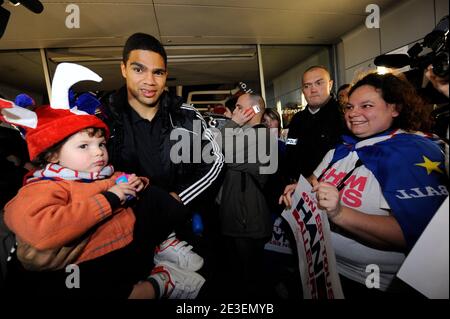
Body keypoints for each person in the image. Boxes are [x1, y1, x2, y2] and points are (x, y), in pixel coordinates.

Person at [16, 33, 224, 273]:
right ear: (124, 69)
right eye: (139, 69)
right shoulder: (97, 115)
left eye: (158, 72)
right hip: (113, 233)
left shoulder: (186, 114)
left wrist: (179, 198)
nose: (149, 81)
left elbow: (215, 160)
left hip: (180, 230)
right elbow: (67, 166)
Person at [1, 101, 205, 299]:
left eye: (101, 144)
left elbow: (123, 179)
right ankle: (164, 281)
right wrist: (111, 198)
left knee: (153, 194)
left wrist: (136, 182)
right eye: (84, 146)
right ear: (53, 155)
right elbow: (41, 228)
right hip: (84, 264)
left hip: (119, 248)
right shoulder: (43, 186)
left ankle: (164, 243)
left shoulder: (103, 174)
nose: (98, 151)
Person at [280, 73, 448, 296]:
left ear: (395, 108)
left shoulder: (415, 152)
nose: (353, 113)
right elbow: (313, 182)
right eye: (349, 107)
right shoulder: (341, 148)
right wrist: (299, 191)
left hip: (375, 282)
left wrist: (340, 213)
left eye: (366, 105)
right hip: (325, 269)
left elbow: (419, 233)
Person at [218, 93, 274, 298]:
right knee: (240, 276)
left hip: (248, 221)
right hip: (239, 219)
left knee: (250, 281)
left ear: (255, 110)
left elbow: (220, 153)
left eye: (239, 107)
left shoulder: (262, 138)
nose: (235, 112)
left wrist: (231, 124)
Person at [284, 65, 346, 183]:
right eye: (307, 86)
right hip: (297, 187)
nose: (313, 90)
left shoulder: (343, 117)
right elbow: (290, 145)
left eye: (319, 83)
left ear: (330, 84)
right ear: (303, 90)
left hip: (330, 188)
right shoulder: (297, 119)